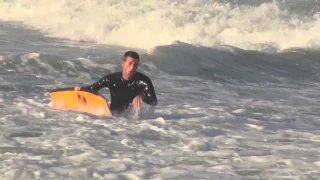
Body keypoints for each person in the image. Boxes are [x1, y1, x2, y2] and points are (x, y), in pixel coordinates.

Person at [74, 51, 157, 116]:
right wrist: (82, 89)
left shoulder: (143, 81)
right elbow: (92, 89)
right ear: (123, 64)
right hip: (113, 118)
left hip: (133, 122)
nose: (132, 67)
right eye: (130, 63)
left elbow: (153, 100)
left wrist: (141, 97)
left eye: (135, 65)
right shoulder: (112, 79)